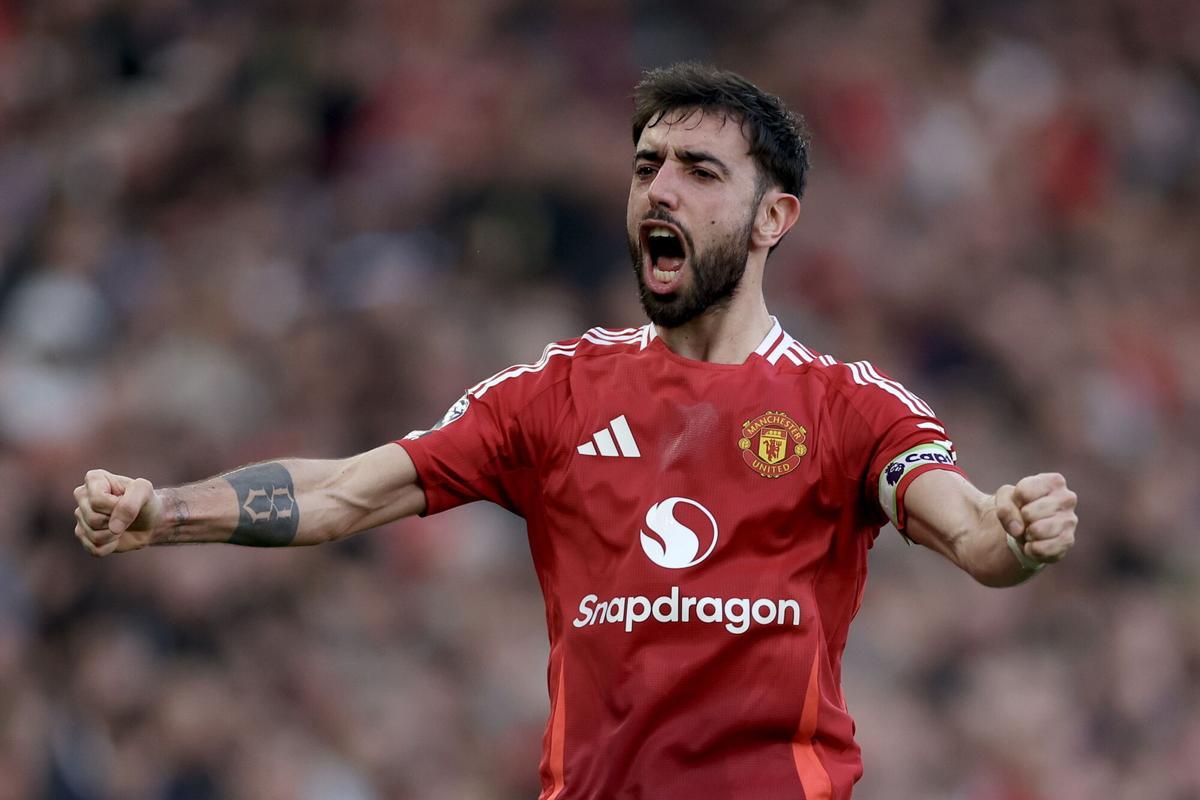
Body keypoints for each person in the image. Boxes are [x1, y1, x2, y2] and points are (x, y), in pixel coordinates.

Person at [73, 63, 1078, 799]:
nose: (661, 189)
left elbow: (975, 536)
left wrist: (1017, 533)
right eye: (648, 166)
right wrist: (169, 508)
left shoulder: (848, 404)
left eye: (699, 170)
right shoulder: (551, 393)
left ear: (774, 218)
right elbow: (343, 490)